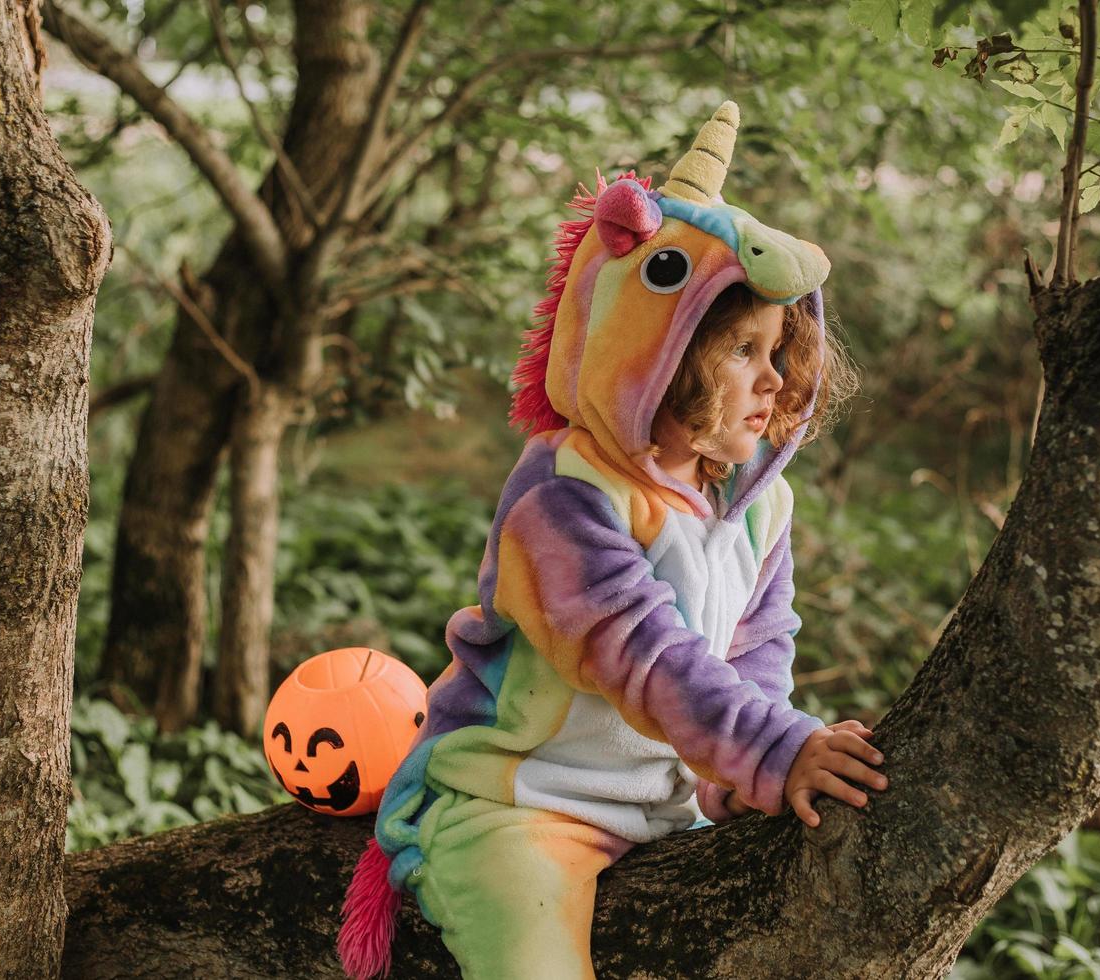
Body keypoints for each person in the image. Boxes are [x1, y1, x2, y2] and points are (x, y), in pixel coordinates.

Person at [337, 100, 884, 980]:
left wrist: (733, 777)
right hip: (523, 800)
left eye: (781, 349)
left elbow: (757, 647)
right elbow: (644, 654)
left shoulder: (757, 509)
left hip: (666, 808)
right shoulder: (565, 495)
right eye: (742, 349)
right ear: (654, 352)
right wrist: (775, 750)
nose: (775, 379)